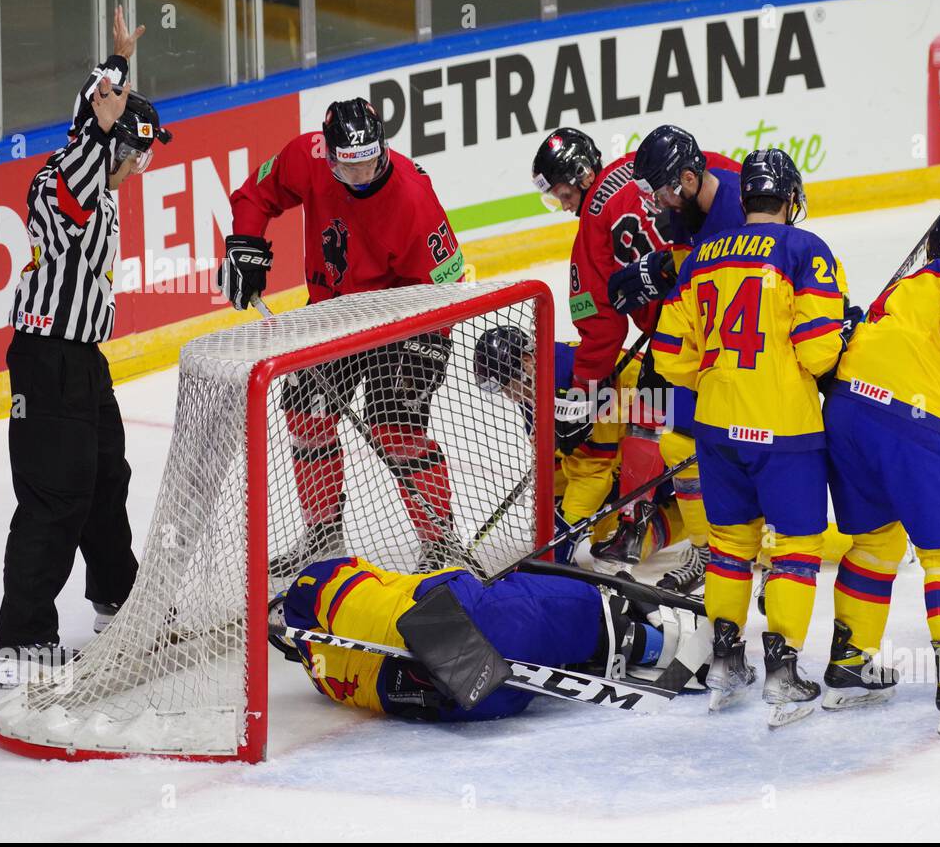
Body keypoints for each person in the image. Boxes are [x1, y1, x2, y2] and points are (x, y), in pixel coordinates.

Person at [221, 97, 465, 575]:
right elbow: (254, 195)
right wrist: (246, 246)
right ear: (329, 156)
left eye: (370, 163)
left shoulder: (413, 197)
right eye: (348, 168)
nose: (361, 178)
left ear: (384, 147)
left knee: (396, 427)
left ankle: (440, 539)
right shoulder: (306, 156)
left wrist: (423, 347)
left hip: (407, 316)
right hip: (332, 312)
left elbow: (446, 287)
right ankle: (324, 535)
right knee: (305, 413)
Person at [0, 7, 164, 688]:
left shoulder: (97, 178)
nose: (141, 164)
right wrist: (112, 84)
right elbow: (91, 146)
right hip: (48, 357)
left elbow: (103, 141)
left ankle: (116, 598)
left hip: (82, 359)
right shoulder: (66, 174)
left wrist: (120, 79)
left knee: (105, 480)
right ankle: (21, 640)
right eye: (136, 151)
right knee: (54, 496)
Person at [654, 148, 848, 722]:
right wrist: (838, 332)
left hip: (715, 428)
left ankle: (725, 659)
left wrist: (716, 378)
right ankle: (784, 672)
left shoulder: (702, 256)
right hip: (782, 429)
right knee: (794, 546)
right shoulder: (805, 249)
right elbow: (817, 353)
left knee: (731, 545)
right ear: (790, 198)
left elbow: (668, 355)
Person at [822, 213, 940, 736]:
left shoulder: (901, 289)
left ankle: (849, 662)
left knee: (875, 544)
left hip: (847, 409)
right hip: (908, 419)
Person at [268, 555, 704, 722]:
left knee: (527, 631)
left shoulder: (323, 680)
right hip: (460, 629)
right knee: (564, 608)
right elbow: (372, 609)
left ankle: (605, 647)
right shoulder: (310, 585)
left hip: (476, 701)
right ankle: (667, 641)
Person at [602, 126, 747, 591]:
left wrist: (669, 270)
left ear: (687, 178)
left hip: (747, 350)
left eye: (661, 191)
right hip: (702, 341)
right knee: (679, 444)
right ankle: (705, 552)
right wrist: (662, 270)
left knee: (749, 449)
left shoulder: (742, 204)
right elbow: (693, 275)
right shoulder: (682, 207)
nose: (657, 203)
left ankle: (761, 549)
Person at [471, 326, 686, 567]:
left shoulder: (570, 386)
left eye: (506, 384)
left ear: (526, 360)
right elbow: (558, 454)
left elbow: (593, 469)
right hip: (619, 438)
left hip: (666, 434)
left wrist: (565, 525)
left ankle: (705, 526)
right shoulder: (531, 382)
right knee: (598, 524)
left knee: (620, 538)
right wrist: (553, 508)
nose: (510, 396)